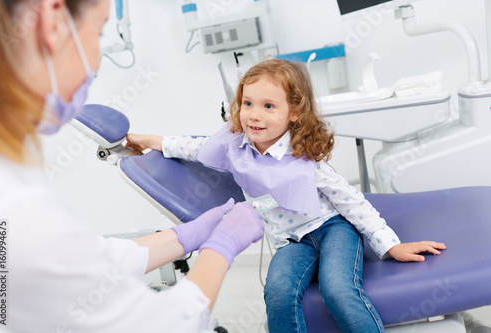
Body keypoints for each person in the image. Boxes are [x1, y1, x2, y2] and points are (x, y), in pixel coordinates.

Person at [0, 0, 265, 332]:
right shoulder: (17, 212)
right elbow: (166, 325)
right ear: (53, 22)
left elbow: (87, 263)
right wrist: (221, 248)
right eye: (100, 31)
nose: (96, 62)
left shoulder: (9, 178)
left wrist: (183, 237)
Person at [126, 57, 447, 332]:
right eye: (248, 103)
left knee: (338, 289)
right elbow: (192, 146)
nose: (254, 114)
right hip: (292, 241)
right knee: (277, 292)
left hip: (333, 229)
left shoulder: (304, 156)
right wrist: (149, 140)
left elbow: (351, 200)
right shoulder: (235, 146)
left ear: (293, 112)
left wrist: (390, 245)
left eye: (268, 106)